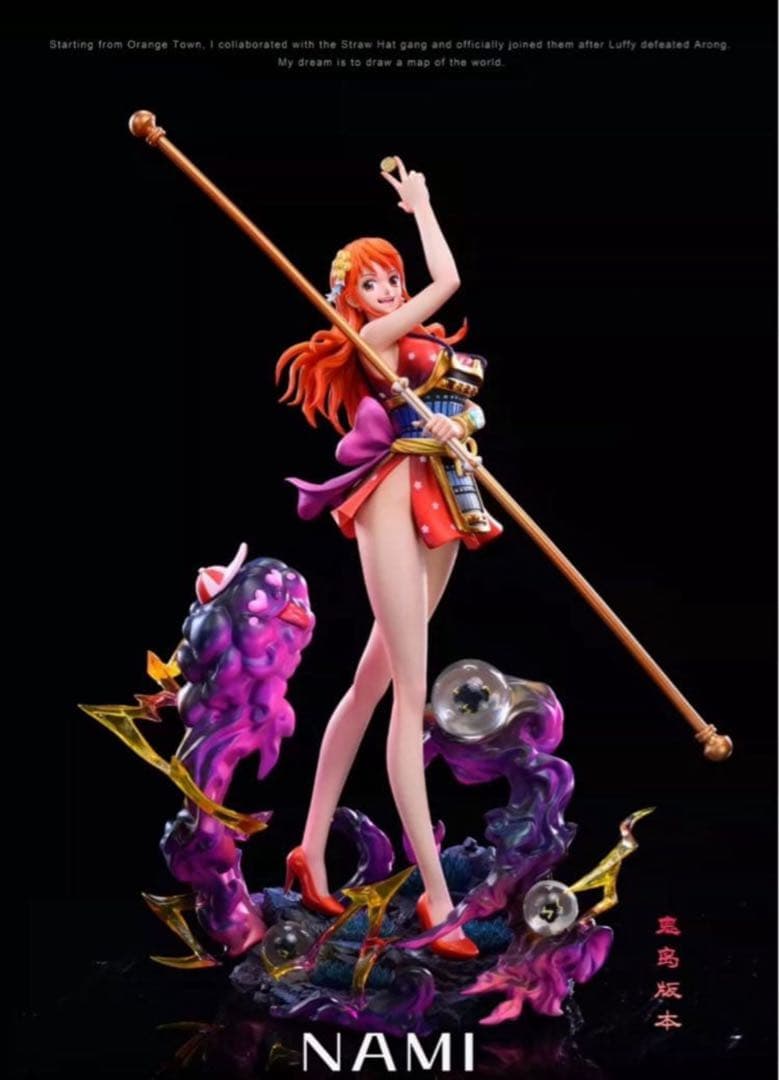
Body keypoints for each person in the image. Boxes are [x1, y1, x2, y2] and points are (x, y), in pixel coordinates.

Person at [276, 157, 501, 957]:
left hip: (439, 496)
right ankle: (438, 900)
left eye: (391, 280)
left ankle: (307, 850)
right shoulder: (370, 340)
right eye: (370, 284)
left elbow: (445, 284)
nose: (388, 292)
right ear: (348, 301)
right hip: (389, 497)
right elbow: (446, 285)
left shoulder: (425, 343)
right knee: (409, 692)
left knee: (371, 683)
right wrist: (430, 428)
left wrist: (422, 205)